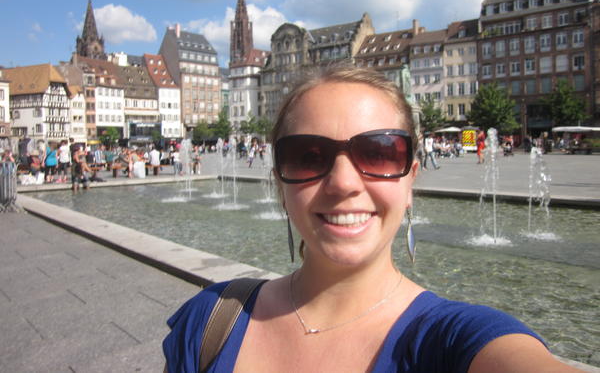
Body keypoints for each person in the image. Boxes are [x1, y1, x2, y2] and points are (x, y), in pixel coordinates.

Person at [163, 66, 579, 372]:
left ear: (410, 179)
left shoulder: (454, 340)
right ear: (280, 184)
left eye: (379, 152)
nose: (343, 182)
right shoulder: (208, 321)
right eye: (309, 155)